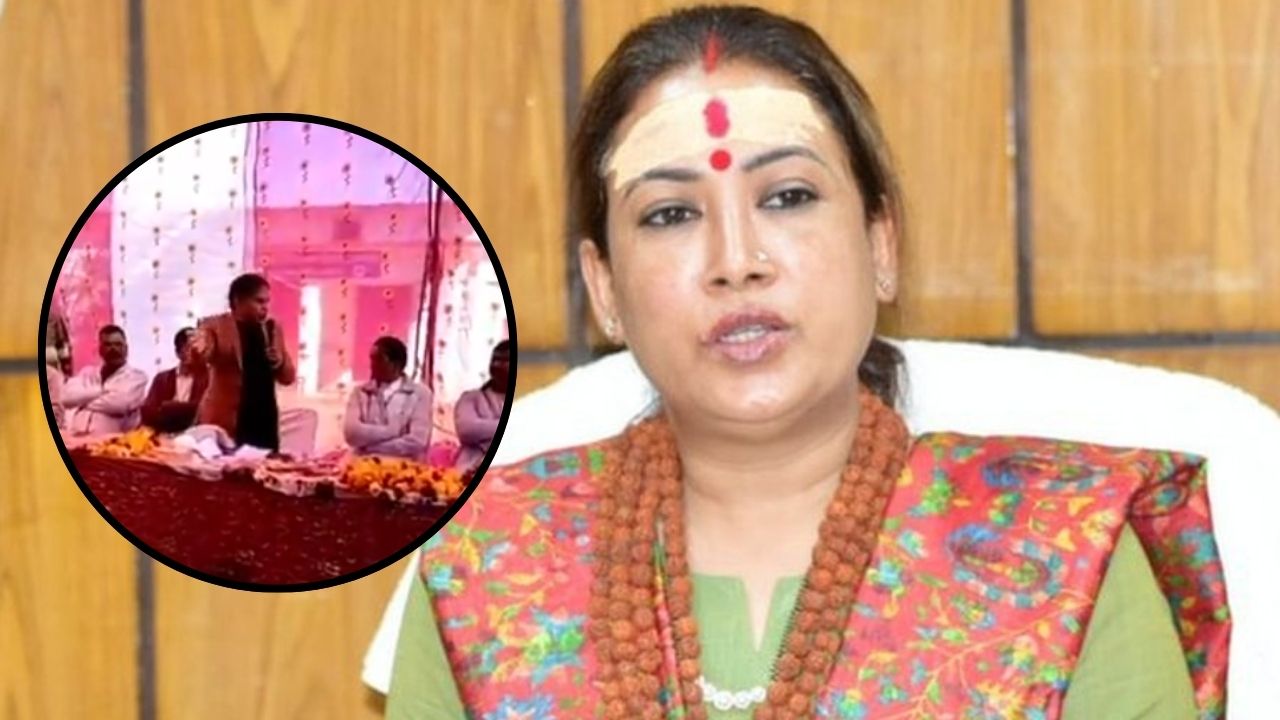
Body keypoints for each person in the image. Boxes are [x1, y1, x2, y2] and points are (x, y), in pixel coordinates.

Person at [386, 7, 1229, 720]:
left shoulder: (1066, 557)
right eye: (672, 213)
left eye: (788, 197)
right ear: (604, 288)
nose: (737, 260)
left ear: (880, 245)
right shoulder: (485, 572)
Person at [191, 273, 296, 452]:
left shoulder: (272, 328)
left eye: (267, 302)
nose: (265, 307)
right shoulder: (215, 325)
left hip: (264, 419)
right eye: (259, 301)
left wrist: (279, 361)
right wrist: (198, 347)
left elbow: (288, 378)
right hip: (228, 418)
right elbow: (203, 354)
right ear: (238, 301)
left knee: (264, 467)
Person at [343, 336, 433, 459]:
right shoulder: (360, 393)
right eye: (372, 359)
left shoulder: (420, 394)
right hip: (362, 464)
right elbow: (351, 433)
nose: (372, 365)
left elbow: (417, 441)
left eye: (379, 359)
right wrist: (391, 431)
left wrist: (371, 448)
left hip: (406, 465)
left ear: (396, 364)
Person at [60, 325, 148, 436]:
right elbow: (65, 398)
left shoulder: (137, 377)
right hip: (77, 438)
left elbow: (119, 405)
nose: (114, 349)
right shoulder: (87, 373)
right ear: (100, 350)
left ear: (126, 349)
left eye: (118, 344)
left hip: (114, 442)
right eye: (108, 345)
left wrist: (80, 401)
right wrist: (101, 392)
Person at [452, 340, 509, 471]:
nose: (497, 365)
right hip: (469, 470)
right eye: (495, 360)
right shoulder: (470, 398)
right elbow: (467, 430)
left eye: (505, 360)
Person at [141, 327, 209, 434]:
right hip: (163, 435)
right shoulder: (162, 378)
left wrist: (169, 408)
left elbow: (203, 410)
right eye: (189, 347)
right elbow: (149, 411)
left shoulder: (209, 378)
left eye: (198, 347)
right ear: (178, 352)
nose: (195, 351)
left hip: (196, 435)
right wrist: (183, 410)